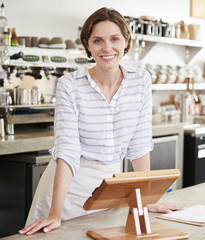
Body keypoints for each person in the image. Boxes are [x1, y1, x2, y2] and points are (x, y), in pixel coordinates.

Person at [19, 7, 182, 236]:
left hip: (110, 190)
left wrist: (144, 201)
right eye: (98, 40)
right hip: (67, 192)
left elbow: (139, 146)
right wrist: (55, 213)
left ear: (126, 41)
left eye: (115, 39)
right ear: (87, 45)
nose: (107, 48)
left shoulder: (141, 81)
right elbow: (68, 150)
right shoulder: (70, 85)